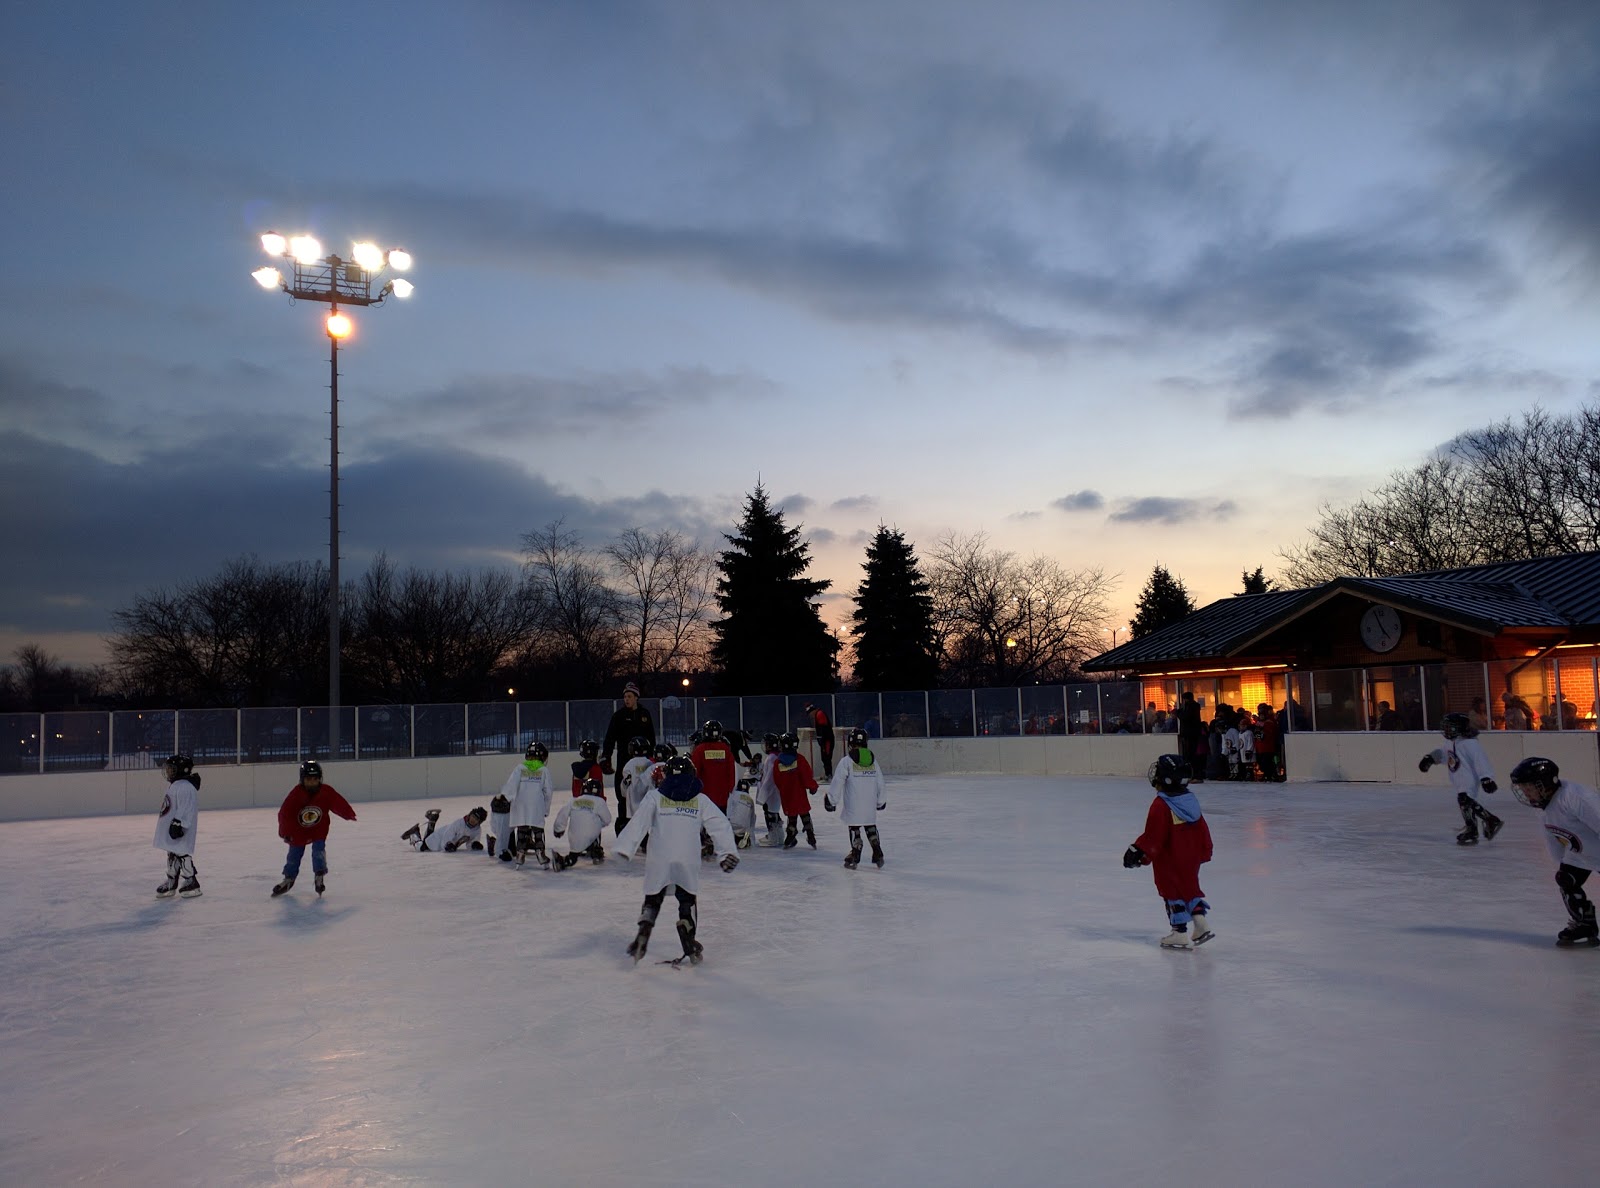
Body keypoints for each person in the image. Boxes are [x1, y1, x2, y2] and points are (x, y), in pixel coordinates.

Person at [613, 753, 739, 964]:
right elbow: (720, 824)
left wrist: (626, 848)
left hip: (660, 857)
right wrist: (726, 853)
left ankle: (645, 925)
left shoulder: (655, 797)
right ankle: (687, 931)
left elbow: (639, 822)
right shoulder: (700, 800)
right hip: (687, 857)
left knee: (654, 896)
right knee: (687, 897)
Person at [1123, 755, 1215, 949]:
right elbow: (1202, 828)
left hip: (1170, 859)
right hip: (1191, 858)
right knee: (1190, 889)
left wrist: (1138, 852)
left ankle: (1179, 932)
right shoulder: (1190, 801)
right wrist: (1205, 850)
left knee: (1172, 892)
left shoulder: (1161, 805)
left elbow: (1154, 836)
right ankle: (1201, 924)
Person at [1509, 757, 1600, 947]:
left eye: (1529, 787)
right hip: (1581, 853)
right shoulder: (1543, 803)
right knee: (1566, 879)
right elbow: (1552, 832)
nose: (1525, 792)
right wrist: (1559, 858)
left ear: (1546, 784)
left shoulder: (1575, 798)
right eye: (1523, 788)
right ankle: (1585, 923)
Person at [272, 759, 357, 897]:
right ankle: (289, 878)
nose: (312, 782)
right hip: (298, 831)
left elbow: (337, 802)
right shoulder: (296, 794)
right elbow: (285, 814)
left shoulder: (326, 791)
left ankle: (319, 875)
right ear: (302, 780)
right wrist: (285, 832)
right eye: (308, 779)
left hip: (318, 829)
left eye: (315, 779)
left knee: (318, 850)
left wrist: (348, 813)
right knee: (294, 856)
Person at [1419, 712, 1503, 845]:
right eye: (1445, 727)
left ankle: (1490, 820)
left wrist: (1486, 777)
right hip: (1458, 777)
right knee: (1464, 803)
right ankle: (1472, 828)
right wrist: (1430, 758)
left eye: (1449, 727)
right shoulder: (1451, 742)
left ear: (1459, 728)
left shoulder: (1470, 744)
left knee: (1465, 799)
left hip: (1469, 777)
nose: (1446, 730)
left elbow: (1480, 760)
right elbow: (1446, 755)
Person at [825, 727, 887, 869]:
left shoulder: (846, 761)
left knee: (854, 827)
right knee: (869, 825)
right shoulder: (873, 761)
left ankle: (855, 852)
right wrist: (881, 801)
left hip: (853, 804)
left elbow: (838, 781)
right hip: (870, 804)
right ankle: (877, 850)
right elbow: (881, 782)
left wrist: (831, 800)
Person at [601, 683, 655, 836]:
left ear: (636, 697)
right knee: (623, 794)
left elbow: (651, 737)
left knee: (644, 794)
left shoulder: (645, 715)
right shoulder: (618, 716)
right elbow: (610, 738)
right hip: (624, 761)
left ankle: (643, 831)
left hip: (644, 763)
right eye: (625, 697)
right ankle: (624, 827)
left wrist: (653, 758)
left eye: (629, 696)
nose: (626, 699)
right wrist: (606, 755)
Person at [154, 754, 202, 899]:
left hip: (179, 828)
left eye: (172, 769)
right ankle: (171, 881)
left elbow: (187, 808)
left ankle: (191, 881)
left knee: (182, 853)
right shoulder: (177, 784)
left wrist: (179, 824)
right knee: (172, 852)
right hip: (171, 826)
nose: (168, 772)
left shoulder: (185, 787)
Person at [502, 741, 555, 868]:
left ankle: (520, 854)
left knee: (522, 830)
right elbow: (548, 791)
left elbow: (511, 785)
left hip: (520, 805)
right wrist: (546, 809)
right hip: (536, 805)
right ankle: (540, 853)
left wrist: (507, 798)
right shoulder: (543, 770)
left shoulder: (519, 768)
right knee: (538, 831)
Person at [550, 776, 614, 869]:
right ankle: (596, 853)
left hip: (574, 837)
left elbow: (562, 814)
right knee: (595, 825)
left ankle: (566, 861)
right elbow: (607, 819)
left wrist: (558, 829)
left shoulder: (574, 800)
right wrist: (599, 825)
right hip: (591, 835)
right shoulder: (599, 801)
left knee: (574, 856)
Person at [771, 731, 820, 849]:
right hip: (799, 795)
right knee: (804, 814)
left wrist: (783, 789)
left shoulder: (778, 762)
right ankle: (810, 834)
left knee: (791, 816)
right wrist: (813, 787)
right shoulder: (799, 759)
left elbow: (776, 779)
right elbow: (807, 776)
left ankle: (791, 833)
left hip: (787, 795)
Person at [402, 806, 488, 852]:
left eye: (476, 819)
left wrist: (474, 845)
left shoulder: (477, 830)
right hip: (439, 838)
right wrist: (447, 845)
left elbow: (470, 843)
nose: (473, 820)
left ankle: (432, 819)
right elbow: (447, 836)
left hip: (444, 842)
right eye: (473, 816)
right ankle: (414, 834)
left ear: (479, 822)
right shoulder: (459, 823)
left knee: (427, 841)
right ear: (469, 815)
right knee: (422, 848)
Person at [803, 701, 836, 779]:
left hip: (827, 740)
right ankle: (827, 773)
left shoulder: (819, 714)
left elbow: (823, 728)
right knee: (824, 757)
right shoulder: (817, 715)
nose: (810, 715)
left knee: (826, 757)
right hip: (825, 740)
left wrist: (821, 738)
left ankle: (829, 774)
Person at [1175, 692, 1203, 778]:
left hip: (1190, 733)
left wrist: (1178, 713)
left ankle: (1193, 774)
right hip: (1192, 733)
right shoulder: (1194, 706)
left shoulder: (1190, 707)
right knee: (1191, 754)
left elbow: (1185, 718)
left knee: (1190, 754)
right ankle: (1193, 773)